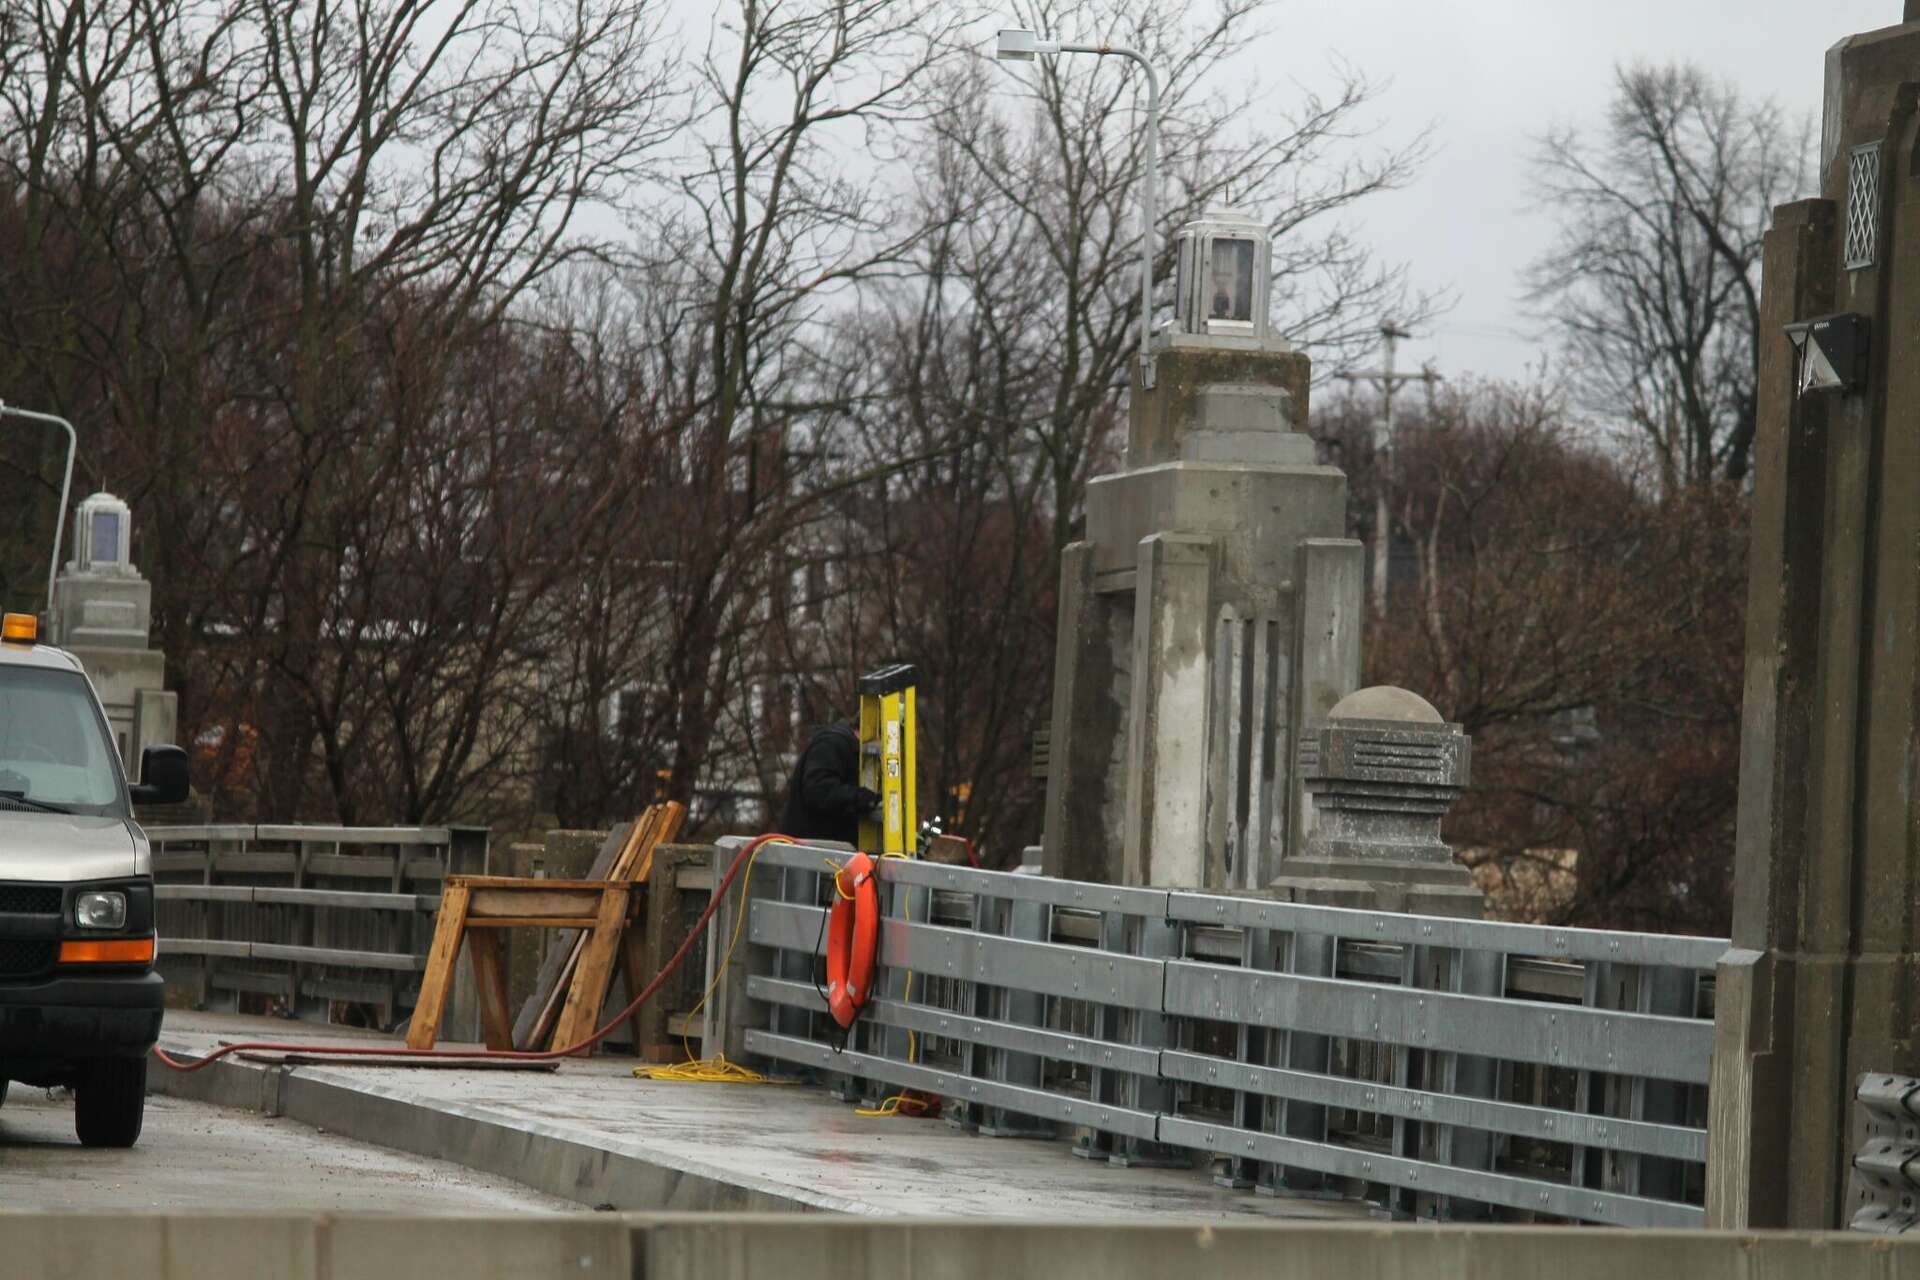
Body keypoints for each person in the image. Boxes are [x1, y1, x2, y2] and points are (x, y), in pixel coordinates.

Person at [777, 718, 879, 846]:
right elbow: (818, 790)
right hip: (810, 849)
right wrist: (861, 798)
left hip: (825, 851)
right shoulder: (832, 744)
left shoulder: (843, 746)